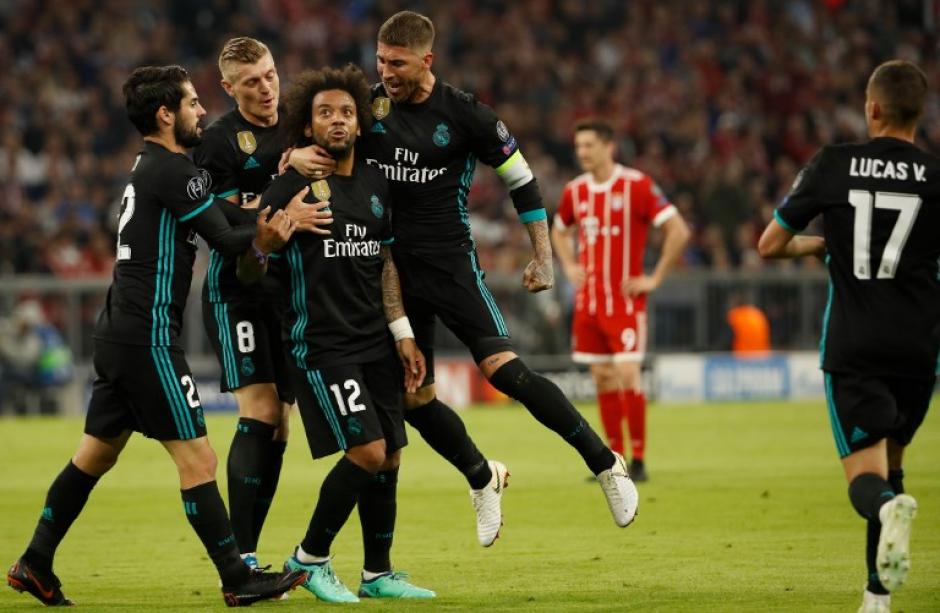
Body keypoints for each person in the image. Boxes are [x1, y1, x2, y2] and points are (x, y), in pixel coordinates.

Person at [293, 10, 639, 545]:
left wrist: (542, 256)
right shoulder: (369, 104)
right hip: (388, 274)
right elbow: (321, 132)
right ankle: (482, 478)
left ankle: (605, 464)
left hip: (452, 265)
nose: (386, 71)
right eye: (381, 60)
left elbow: (521, 181)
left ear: (427, 60)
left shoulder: (466, 114)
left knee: (506, 371)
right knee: (413, 402)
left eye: (398, 63)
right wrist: (295, 154)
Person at [5, 65, 313, 608]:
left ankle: (35, 561)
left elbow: (223, 215)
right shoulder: (175, 169)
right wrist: (275, 221)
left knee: (94, 457)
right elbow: (226, 238)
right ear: (166, 114)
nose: (200, 111)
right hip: (148, 335)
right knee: (199, 460)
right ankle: (237, 579)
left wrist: (278, 193)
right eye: (192, 102)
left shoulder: (150, 168)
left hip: (119, 329)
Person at [240, 64, 435, 602]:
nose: (338, 120)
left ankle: (378, 574)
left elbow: (384, 262)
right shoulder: (289, 184)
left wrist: (402, 331)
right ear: (307, 126)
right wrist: (271, 239)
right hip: (322, 343)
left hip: (375, 338)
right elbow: (249, 269)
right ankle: (308, 559)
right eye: (325, 113)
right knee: (368, 452)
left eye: (347, 111)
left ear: (358, 121)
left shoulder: (374, 182)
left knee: (392, 454)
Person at [758, 59, 939, 613]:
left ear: (873, 107)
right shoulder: (936, 177)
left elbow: (770, 245)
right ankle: (876, 600)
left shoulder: (834, 164)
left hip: (855, 346)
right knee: (895, 464)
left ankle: (886, 511)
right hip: (919, 348)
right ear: (920, 112)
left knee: (871, 482)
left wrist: (819, 246)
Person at [193, 36, 331, 570]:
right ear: (228, 88)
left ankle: (248, 550)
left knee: (282, 423)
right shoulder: (220, 141)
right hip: (239, 289)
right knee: (261, 410)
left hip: (289, 295)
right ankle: (241, 556)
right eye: (251, 81)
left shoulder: (301, 123)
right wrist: (283, 178)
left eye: (270, 74)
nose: (266, 87)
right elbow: (223, 220)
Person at [551, 119, 690, 483]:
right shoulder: (575, 191)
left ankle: (640, 458)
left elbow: (678, 230)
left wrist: (655, 277)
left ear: (609, 146)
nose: (582, 152)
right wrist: (567, 265)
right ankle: (616, 459)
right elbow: (558, 229)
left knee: (628, 373)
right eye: (578, 146)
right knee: (602, 378)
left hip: (625, 303)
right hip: (589, 304)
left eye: (589, 145)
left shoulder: (637, 185)